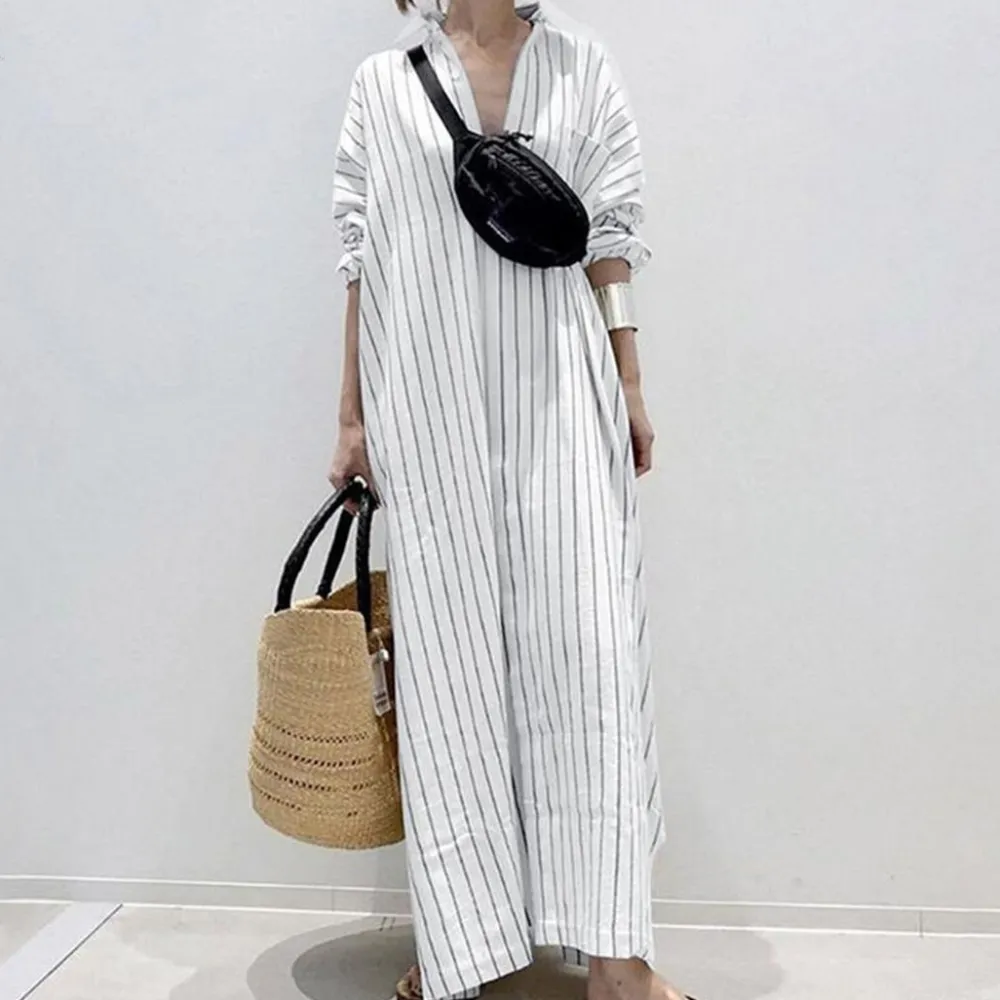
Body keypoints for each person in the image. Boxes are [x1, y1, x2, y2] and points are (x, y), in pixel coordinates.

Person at [328, 2, 689, 998]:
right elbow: (359, 258)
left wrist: (629, 382)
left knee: (590, 658)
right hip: (427, 406)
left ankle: (615, 954)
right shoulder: (382, 84)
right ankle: (468, 946)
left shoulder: (581, 67)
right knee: (451, 676)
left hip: (562, 393)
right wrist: (351, 416)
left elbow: (610, 234)